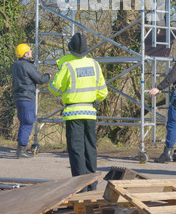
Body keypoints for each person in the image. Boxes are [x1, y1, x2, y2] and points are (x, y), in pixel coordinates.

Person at [48, 32, 108, 190]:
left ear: (71, 49)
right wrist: (93, 101)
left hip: (73, 113)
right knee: (90, 149)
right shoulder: (94, 64)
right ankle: (92, 184)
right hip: (90, 112)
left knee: (77, 150)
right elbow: (103, 92)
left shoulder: (68, 66)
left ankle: (80, 186)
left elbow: (54, 88)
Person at [11, 44, 51, 159]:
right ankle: (21, 150)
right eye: (29, 51)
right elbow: (40, 79)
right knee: (28, 122)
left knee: (23, 122)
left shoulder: (15, 65)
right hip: (27, 97)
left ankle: (20, 149)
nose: (31, 52)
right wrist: (48, 75)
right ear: (25, 54)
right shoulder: (27, 65)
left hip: (19, 98)